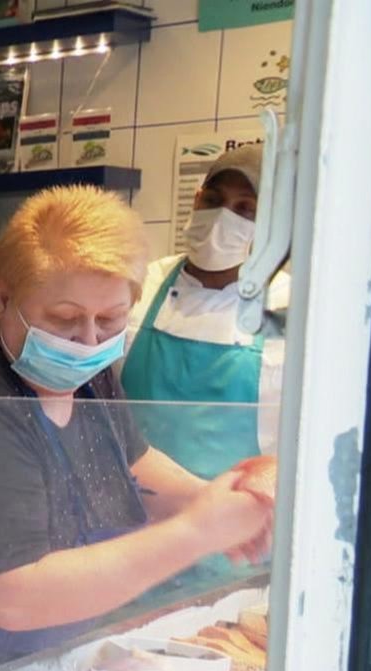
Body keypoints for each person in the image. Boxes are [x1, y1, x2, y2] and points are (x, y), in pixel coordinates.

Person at [0, 186, 274, 671]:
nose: (89, 342)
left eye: (111, 320)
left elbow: (133, 460)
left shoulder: (75, 360)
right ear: (3, 298)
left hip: (44, 660)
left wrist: (228, 503)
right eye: (66, 319)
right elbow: (16, 598)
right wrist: (196, 532)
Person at [121, 143, 291, 477]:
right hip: (134, 508)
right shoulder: (144, 284)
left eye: (246, 209)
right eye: (213, 201)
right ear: (197, 201)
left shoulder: (289, 306)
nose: (222, 218)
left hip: (236, 518)